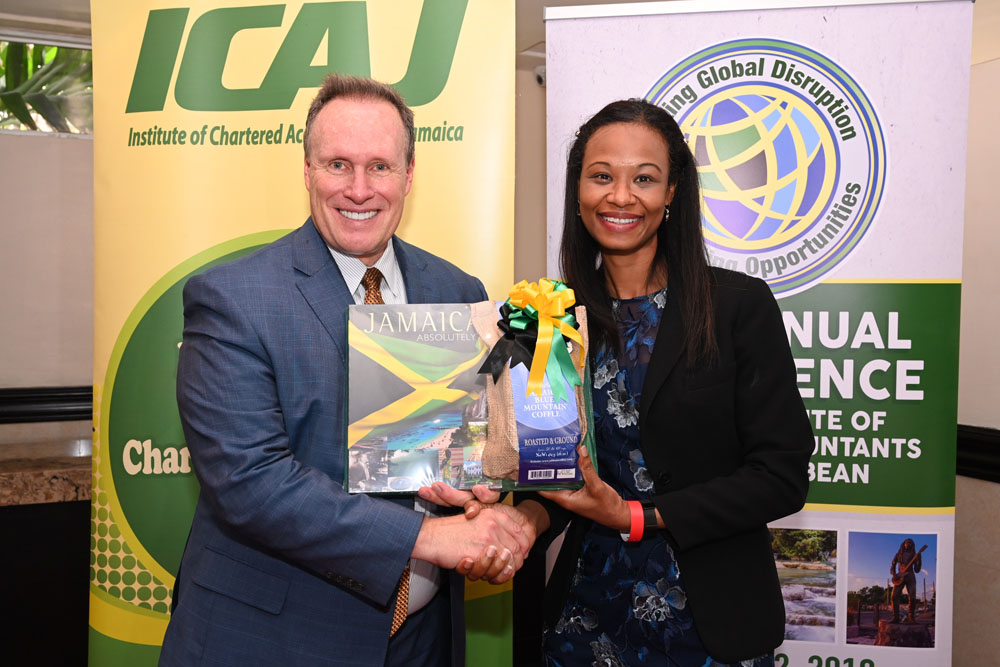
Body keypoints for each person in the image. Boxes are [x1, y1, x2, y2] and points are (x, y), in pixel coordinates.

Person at [159, 74, 533, 667]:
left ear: (409, 174)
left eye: (380, 166)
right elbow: (249, 481)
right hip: (276, 642)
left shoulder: (456, 290)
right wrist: (432, 537)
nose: (359, 190)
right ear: (308, 170)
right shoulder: (233, 298)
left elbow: (468, 449)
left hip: (423, 639)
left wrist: (484, 487)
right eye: (338, 165)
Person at [431, 99, 814, 665]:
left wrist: (637, 515)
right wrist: (524, 519)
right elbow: (559, 472)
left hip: (711, 626)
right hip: (585, 621)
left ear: (672, 191)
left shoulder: (737, 306)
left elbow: (781, 477)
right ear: (578, 191)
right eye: (602, 176)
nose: (621, 196)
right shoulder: (550, 318)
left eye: (645, 178)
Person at [890, 538, 922, 623]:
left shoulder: (914, 555)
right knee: (894, 596)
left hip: (910, 576)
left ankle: (911, 617)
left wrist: (919, 560)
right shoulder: (898, 554)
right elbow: (892, 565)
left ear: (913, 545)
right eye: (907, 542)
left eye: (911, 543)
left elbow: (917, 570)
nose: (909, 544)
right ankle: (895, 617)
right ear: (904, 544)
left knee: (912, 597)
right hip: (900, 577)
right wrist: (894, 575)